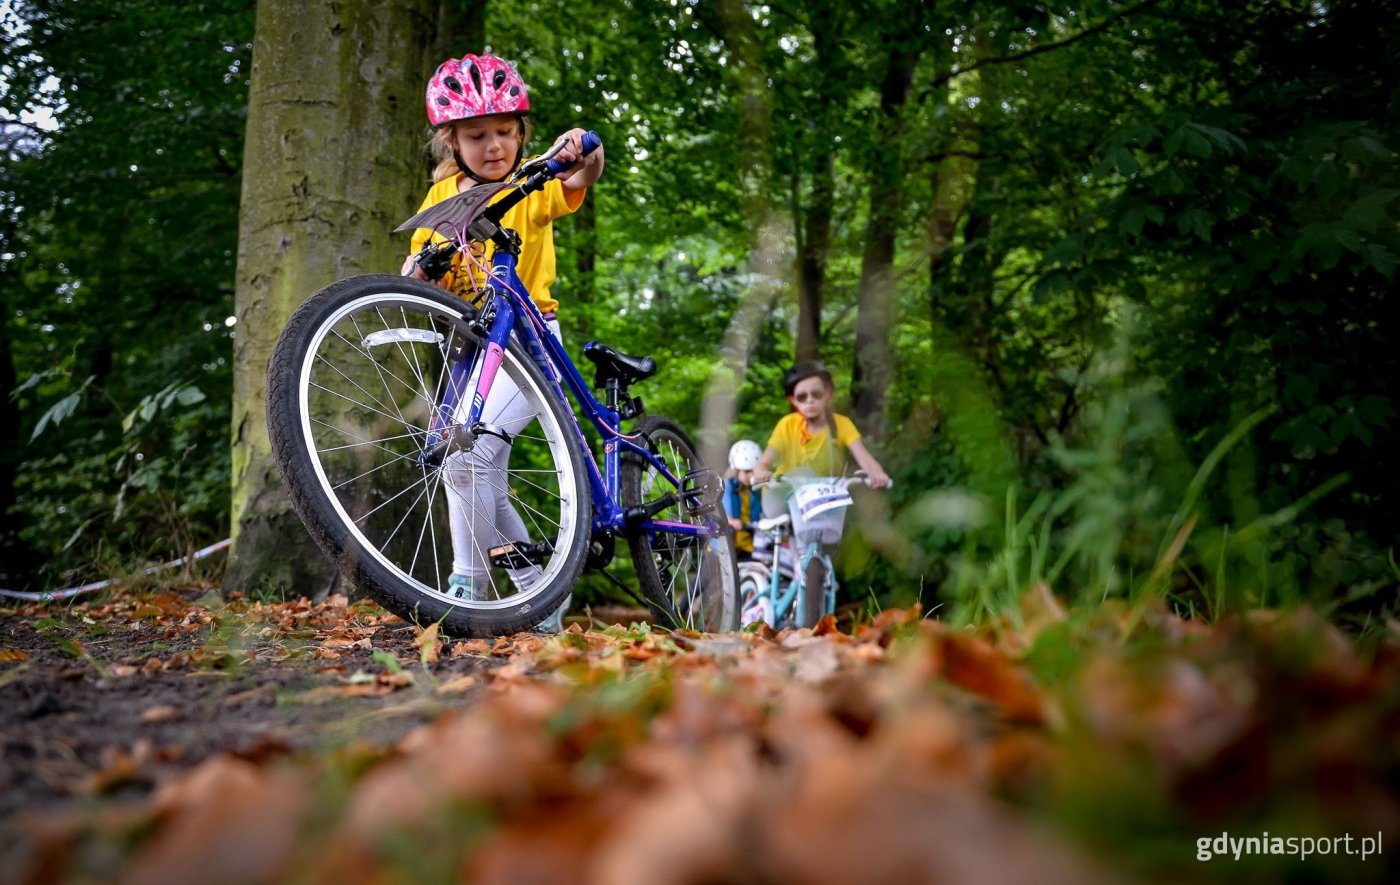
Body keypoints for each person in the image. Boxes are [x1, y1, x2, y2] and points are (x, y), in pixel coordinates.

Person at [400, 52, 604, 632]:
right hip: (473, 344)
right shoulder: (440, 200)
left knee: (470, 459)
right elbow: (419, 269)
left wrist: (582, 148)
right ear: (451, 143)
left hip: (530, 336)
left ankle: (465, 593)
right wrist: (417, 268)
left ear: (521, 135)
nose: (495, 146)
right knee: (469, 470)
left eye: (505, 133)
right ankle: (537, 591)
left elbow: (585, 173)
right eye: (477, 135)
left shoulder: (529, 182)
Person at [750, 361, 892, 509]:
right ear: (793, 401)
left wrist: (877, 474)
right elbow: (764, 462)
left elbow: (864, 458)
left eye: (816, 394)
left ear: (828, 394)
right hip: (787, 500)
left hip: (823, 501)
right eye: (802, 397)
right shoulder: (787, 425)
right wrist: (761, 471)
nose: (810, 400)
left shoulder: (841, 425)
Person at [723, 439, 762, 559]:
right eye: (746, 471)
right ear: (736, 470)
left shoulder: (756, 491)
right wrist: (731, 521)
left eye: (753, 471)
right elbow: (722, 516)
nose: (751, 475)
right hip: (728, 546)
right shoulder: (726, 487)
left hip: (749, 546)